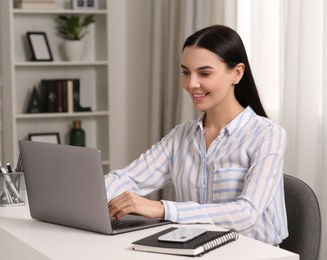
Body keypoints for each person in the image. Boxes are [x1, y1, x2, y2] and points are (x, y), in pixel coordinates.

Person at [105, 25, 288, 246]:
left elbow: (246, 213)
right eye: (185, 72)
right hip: (193, 249)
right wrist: (83, 197)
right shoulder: (181, 136)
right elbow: (129, 179)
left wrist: (162, 208)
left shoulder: (267, 135)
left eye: (204, 73)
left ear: (237, 73)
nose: (191, 84)